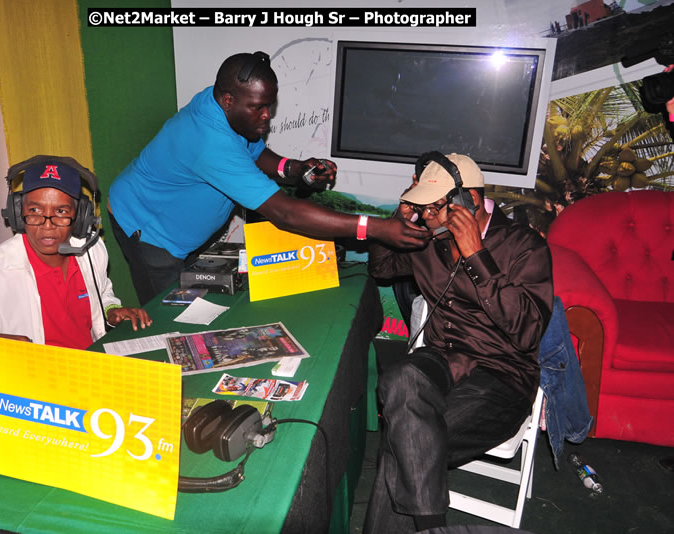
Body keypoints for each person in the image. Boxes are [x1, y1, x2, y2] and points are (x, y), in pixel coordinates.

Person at [108, 51, 431, 304]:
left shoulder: (223, 105)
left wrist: (296, 169)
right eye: (259, 107)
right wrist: (375, 228)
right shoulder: (209, 143)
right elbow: (285, 213)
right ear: (228, 101)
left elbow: (251, 150)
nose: (267, 116)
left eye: (270, 105)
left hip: (172, 222)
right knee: (171, 317)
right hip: (149, 232)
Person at [364, 153, 553, 533]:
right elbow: (382, 268)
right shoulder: (429, 241)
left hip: (501, 376)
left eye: (432, 207)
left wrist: (477, 256)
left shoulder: (524, 246)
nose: (425, 217)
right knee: (400, 378)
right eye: (421, 208)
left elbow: (528, 332)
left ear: (468, 201)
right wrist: (397, 221)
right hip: (441, 359)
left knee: (407, 441)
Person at [0, 157, 152, 384]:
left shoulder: (90, 250)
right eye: (35, 210)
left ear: (80, 217)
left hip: (93, 371)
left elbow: (102, 293)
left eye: (61, 211)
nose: (47, 225)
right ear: (17, 213)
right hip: (38, 388)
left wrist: (111, 311)